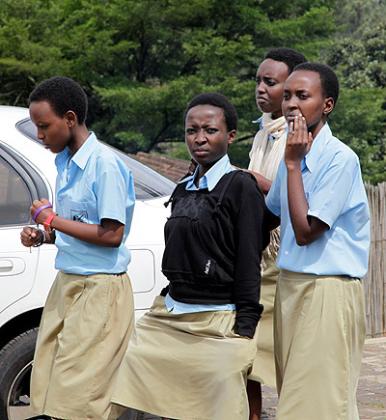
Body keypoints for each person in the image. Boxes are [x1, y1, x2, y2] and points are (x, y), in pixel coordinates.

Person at [112, 93, 269, 420]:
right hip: (170, 314)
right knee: (125, 377)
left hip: (218, 319)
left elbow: (247, 259)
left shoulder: (241, 186)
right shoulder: (183, 187)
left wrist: (245, 324)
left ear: (230, 136)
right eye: (191, 130)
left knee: (220, 406)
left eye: (210, 130)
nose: (199, 138)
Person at [20, 76, 136, 420]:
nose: (40, 136)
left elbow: (111, 233)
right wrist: (43, 235)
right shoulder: (65, 162)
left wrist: (51, 219)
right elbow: (80, 228)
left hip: (99, 289)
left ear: (69, 119)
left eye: (44, 126)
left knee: (81, 395)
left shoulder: (104, 164)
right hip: (68, 282)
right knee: (48, 382)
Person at [266, 63, 370, 419]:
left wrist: (293, 165)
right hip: (291, 288)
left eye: (303, 96)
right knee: (300, 395)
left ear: (327, 105)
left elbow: (306, 231)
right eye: (288, 95)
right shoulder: (291, 153)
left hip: (327, 290)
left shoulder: (340, 159)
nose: (291, 104)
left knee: (316, 404)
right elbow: (272, 211)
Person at [246, 47, 306, 420]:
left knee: (285, 355)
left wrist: (248, 180)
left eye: (271, 82)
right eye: (258, 80)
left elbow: (289, 196)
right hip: (258, 255)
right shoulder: (263, 133)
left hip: (282, 256)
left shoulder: (296, 136)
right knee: (247, 352)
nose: (261, 89)